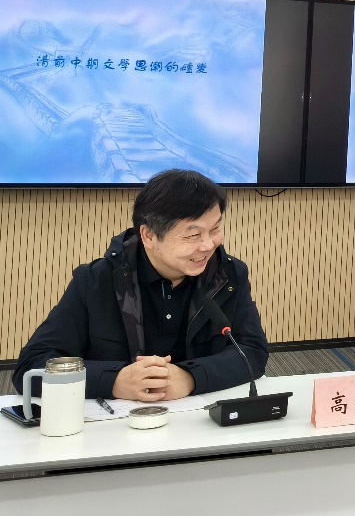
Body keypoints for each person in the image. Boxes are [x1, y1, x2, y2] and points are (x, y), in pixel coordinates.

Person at [15, 169, 269, 401]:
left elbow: (253, 351)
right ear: (148, 236)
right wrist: (113, 381)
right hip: (118, 425)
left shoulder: (228, 275)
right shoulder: (96, 280)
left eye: (215, 229)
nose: (208, 245)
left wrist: (191, 377)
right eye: (193, 235)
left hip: (201, 421)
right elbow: (31, 367)